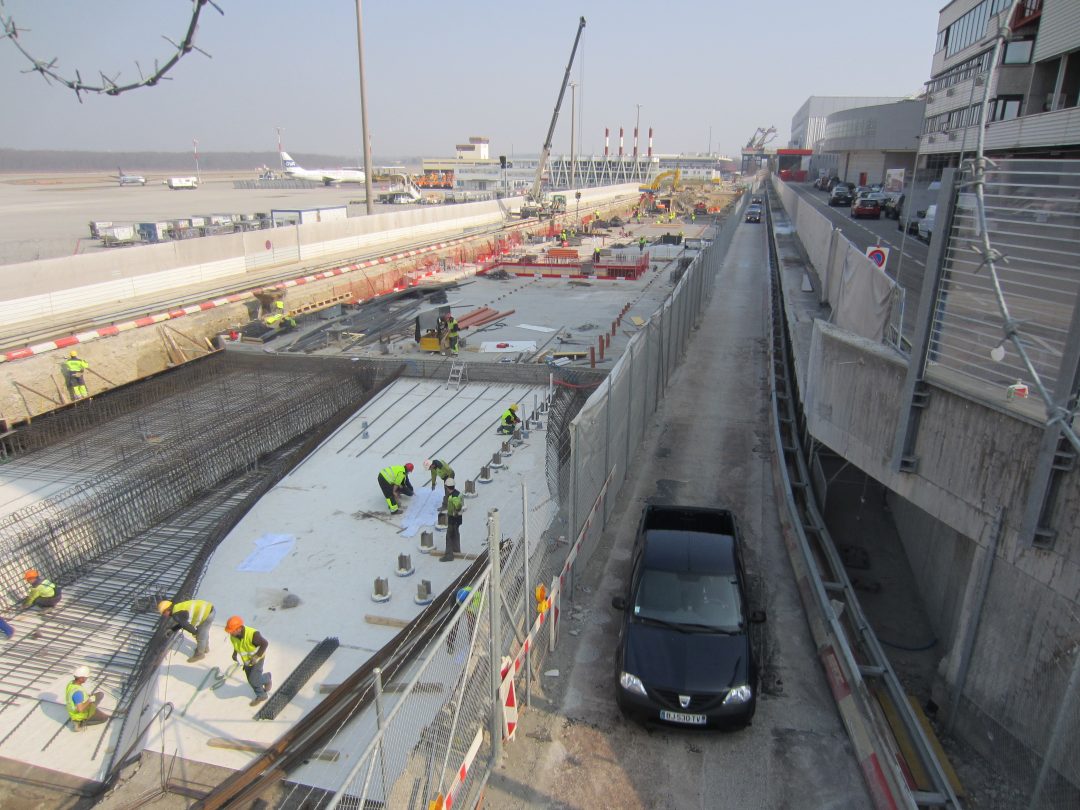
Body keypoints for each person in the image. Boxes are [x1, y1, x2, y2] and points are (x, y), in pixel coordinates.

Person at [225, 615, 272, 706]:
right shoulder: (233, 637)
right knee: (251, 680)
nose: (230, 633)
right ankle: (262, 691)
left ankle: (266, 681)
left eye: (232, 631)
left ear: (239, 629)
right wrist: (235, 653)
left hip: (258, 659)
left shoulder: (253, 635)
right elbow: (237, 645)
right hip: (247, 661)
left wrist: (256, 657)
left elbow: (265, 644)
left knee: (253, 680)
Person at [159, 598, 215, 663]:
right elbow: (182, 623)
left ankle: (200, 654)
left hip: (206, 614)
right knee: (204, 632)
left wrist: (195, 633)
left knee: (200, 636)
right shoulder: (177, 607)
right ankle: (205, 648)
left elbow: (186, 625)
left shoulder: (176, 614)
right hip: (209, 608)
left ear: (167, 610)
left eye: (163, 613)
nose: (164, 615)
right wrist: (172, 629)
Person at [67, 665, 110, 731]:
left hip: (77, 708)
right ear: (81, 678)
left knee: (100, 695)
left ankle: (92, 711)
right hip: (81, 714)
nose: (86, 679)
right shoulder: (78, 693)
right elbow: (80, 709)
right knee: (104, 718)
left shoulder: (71, 684)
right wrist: (89, 700)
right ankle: (80, 723)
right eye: (86, 677)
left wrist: (87, 696)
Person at [440, 479, 464, 562]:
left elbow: (458, 505)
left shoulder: (453, 497)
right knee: (456, 534)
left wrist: (455, 511)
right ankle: (457, 550)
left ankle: (449, 555)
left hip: (453, 519)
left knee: (449, 536)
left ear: (447, 487)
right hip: (458, 519)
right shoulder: (458, 493)